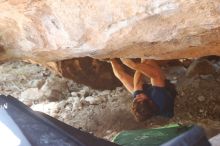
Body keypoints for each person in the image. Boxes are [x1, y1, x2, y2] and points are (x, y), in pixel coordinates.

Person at [110, 59, 177, 121]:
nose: (137, 96)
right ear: (150, 101)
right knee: (149, 61)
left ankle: (111, 59)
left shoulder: (139, 102)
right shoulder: (159, 97)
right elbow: (156, 75)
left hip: (150, 100)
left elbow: (137, 83)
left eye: (135, 100)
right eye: (139, 98)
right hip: (166, 91)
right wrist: (135, 65)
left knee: (121, 76)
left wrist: (136, 66)